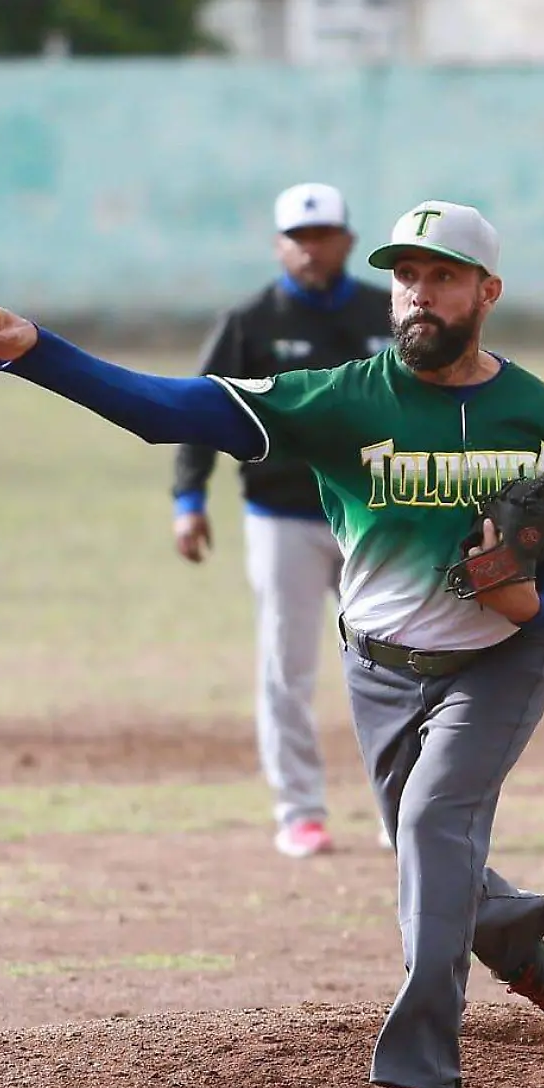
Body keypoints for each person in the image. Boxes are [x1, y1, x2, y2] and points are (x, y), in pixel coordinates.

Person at [0, 199, 544, 1088]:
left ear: (487, 292)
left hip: (498, 669)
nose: (418, 295)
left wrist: (529, 608)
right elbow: (170, 407)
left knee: (431, 823)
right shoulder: (343, 399)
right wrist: (36, 350)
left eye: (442, 276)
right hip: (381, 673)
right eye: (405, 276)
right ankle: (507, 935)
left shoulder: (540, 413)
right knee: (423, 841)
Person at [172, 182, 392, 859]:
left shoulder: (384, 314)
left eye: (323, 234)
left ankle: (405, 810)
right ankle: (300, 811)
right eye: (298, 237)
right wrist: (189, 498)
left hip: (375, 515)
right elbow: (197, 407)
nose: (310, 247)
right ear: (278, 246)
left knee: (394, 668)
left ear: (348, 241)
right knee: (286, 667)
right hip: (282, 516)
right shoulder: (250, 322)